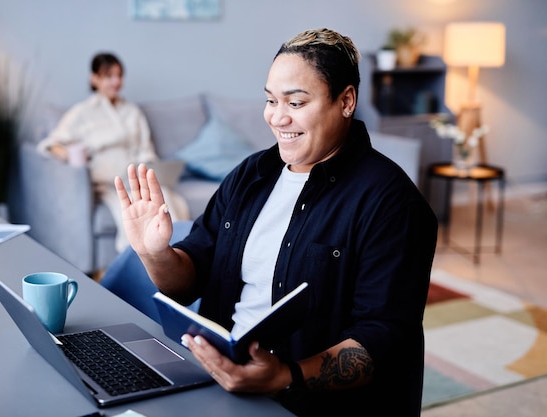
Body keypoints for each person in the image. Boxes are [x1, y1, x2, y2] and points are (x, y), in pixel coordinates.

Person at [114, 28, 437, 416]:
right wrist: (154, 253)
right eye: (270, 100)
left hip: (308, 403)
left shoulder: (391, 203)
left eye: (296, 102)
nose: (277, 117)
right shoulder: (252, 175)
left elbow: (382, 341)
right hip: (218, 384)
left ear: (346, 101)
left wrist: (284, 376)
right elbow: (187, 281)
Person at [37, 52, 189, 252]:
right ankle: (137, 264)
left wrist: (152, 169)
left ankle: (179, 256)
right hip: (110, 183)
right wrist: (69, 155)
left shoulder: (133, 112)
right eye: (109, 76)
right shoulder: (82, 113)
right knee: (132, 213)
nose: (116, 81)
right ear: (95, 79)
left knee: (166, 203)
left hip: (138, 175)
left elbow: (146, 149)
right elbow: (50, 144)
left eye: (119, 75)